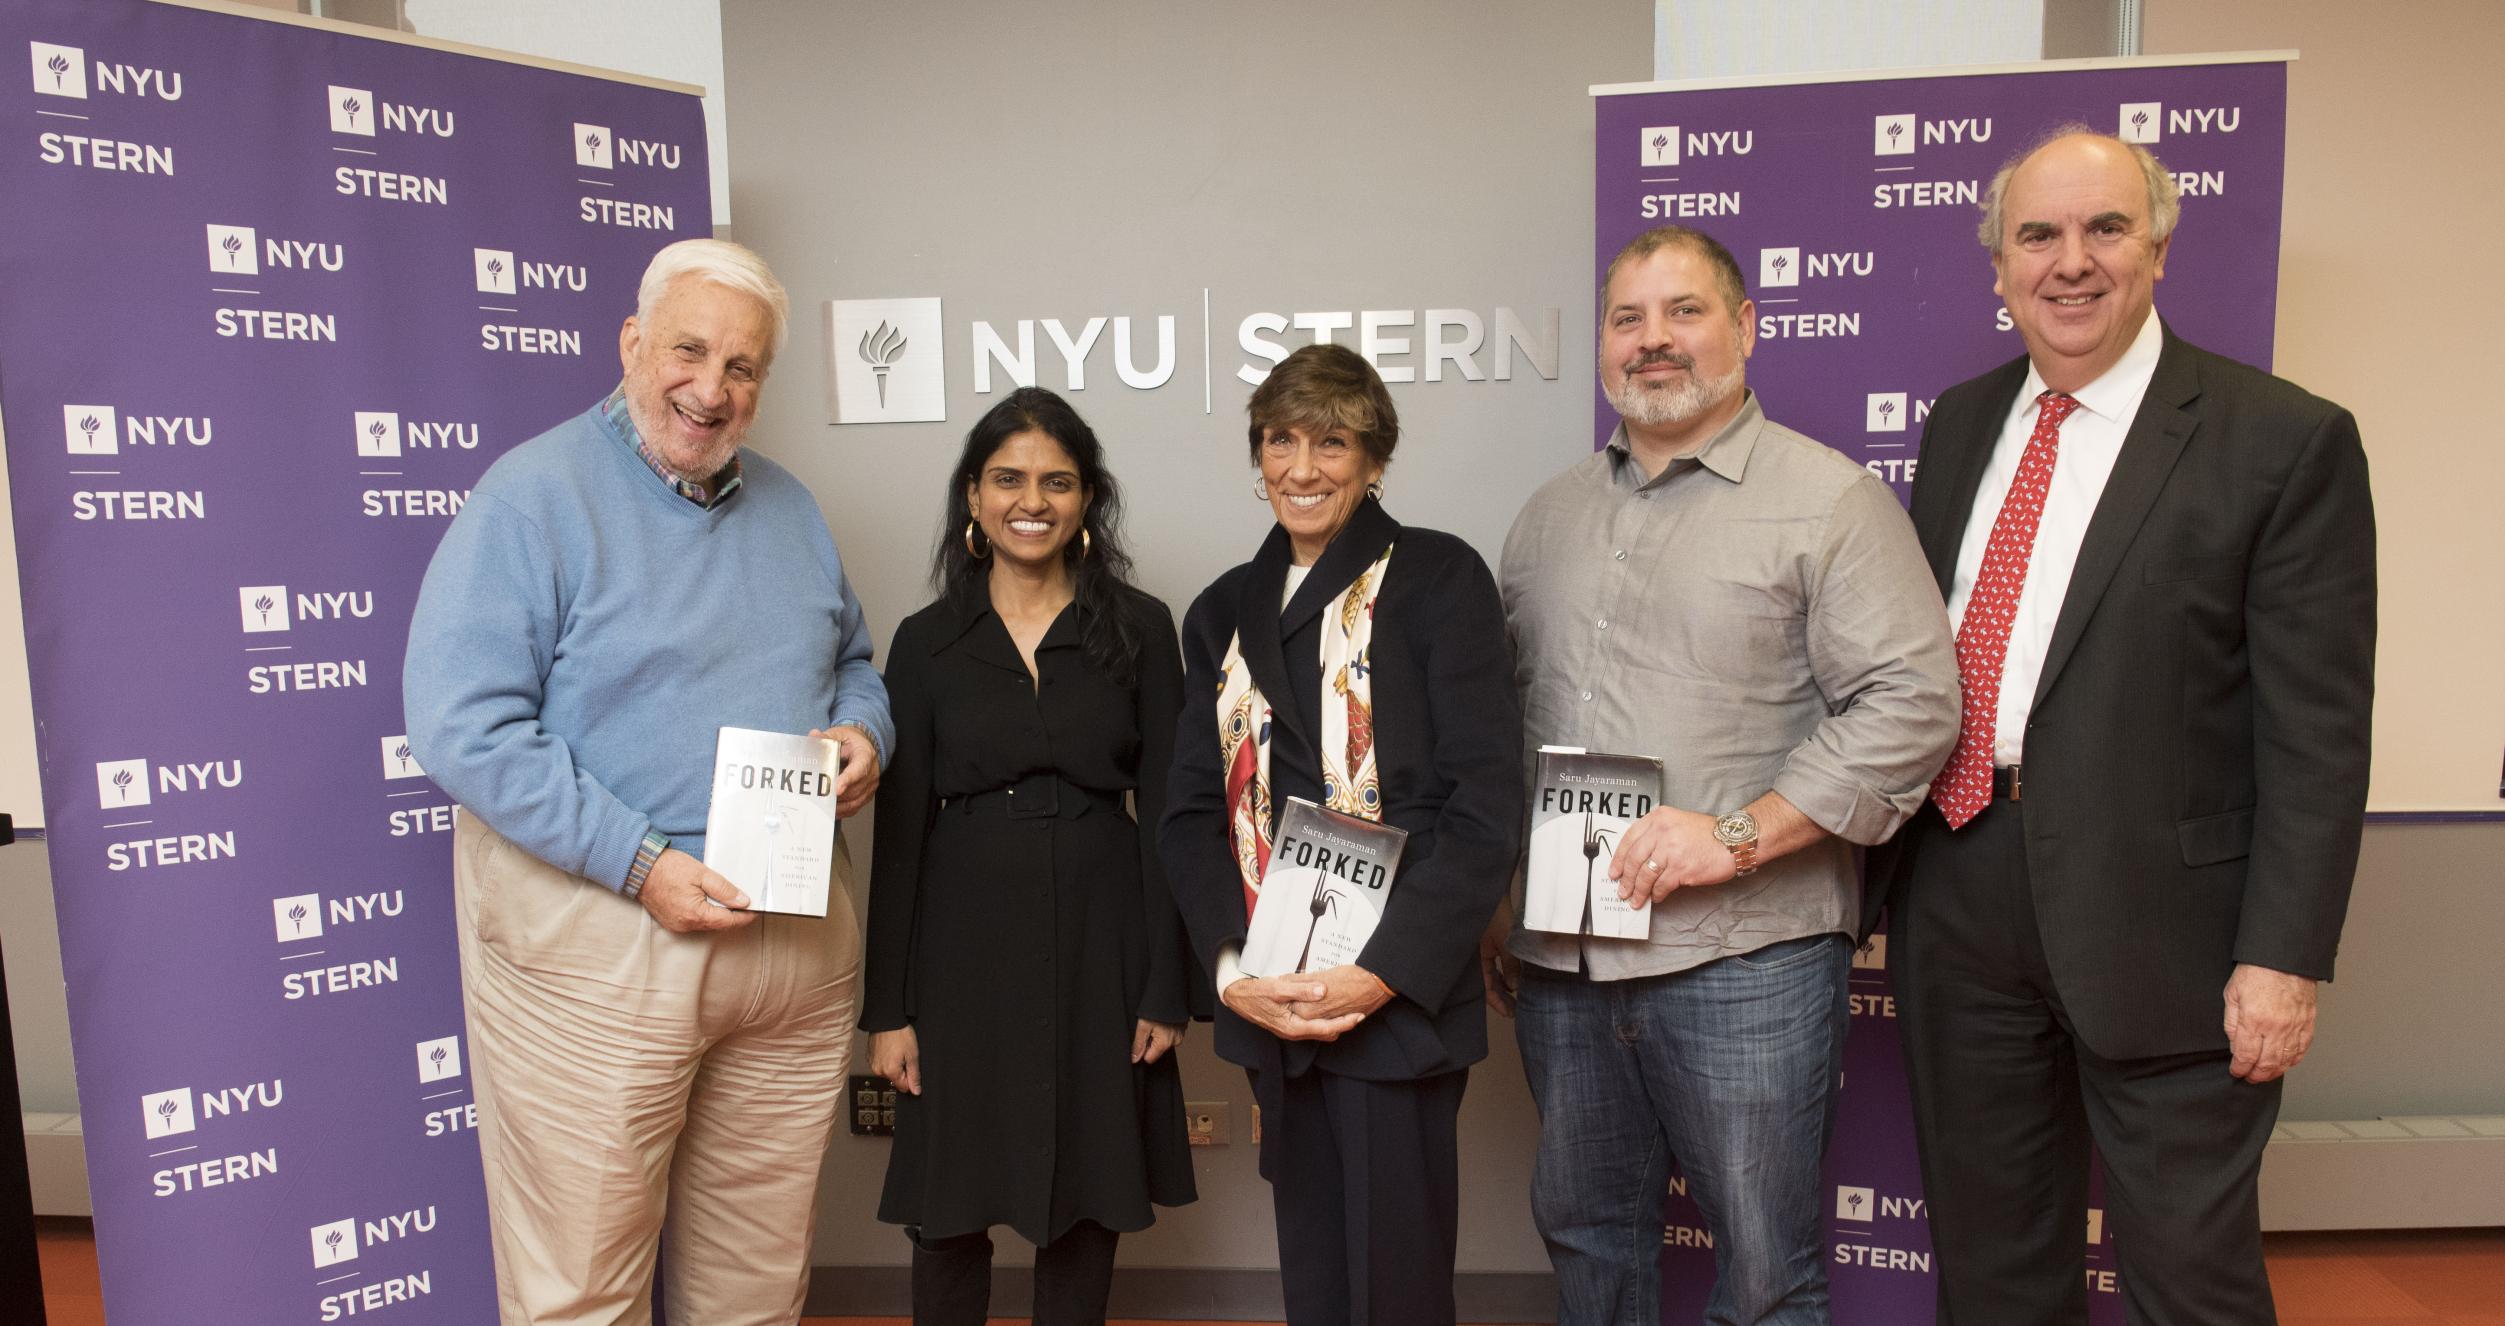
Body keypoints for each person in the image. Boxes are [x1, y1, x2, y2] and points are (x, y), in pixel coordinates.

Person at [1873, 128, 2375, 1324]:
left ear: (2158, 244)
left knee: (2187, 1277)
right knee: (1993, 1271)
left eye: (2106, 228)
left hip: (2177, 926)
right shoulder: (1959, 423)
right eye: (2037, 235)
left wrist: (2286, 955)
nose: (2071, 262)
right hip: (1959, 885)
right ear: (1998, 264)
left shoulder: (2281, 439)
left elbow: (2318, 729)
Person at [403, 238, 892, 1325]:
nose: (711, 390)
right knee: (581, 1290)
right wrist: (639, 861)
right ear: (631, 344)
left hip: (789, 949)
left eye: (744, 367)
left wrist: (865, 733)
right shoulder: (531, 498)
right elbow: (460, 724)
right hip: (608, 947)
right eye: (688, 350)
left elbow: (853, 662)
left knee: (758, 1289)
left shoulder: (790, 508)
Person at [1491, 224, 1958, 1325]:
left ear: (1745, 328)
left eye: (1684, 312)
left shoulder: (1829, 501)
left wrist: (1737, 834)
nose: (1654, 342)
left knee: (1761, 1272)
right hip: (1568, 957)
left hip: (1745, 960)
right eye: (1628, 319)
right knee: (1588, 1239)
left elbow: (1914, 703)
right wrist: (1500, 894)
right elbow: (1514, 721)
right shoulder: (1548, 517)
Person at [1160, 343, 1522, 1326]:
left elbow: (1486, 805)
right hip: (1276, 990)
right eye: (1281, 439)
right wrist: (1237, 970)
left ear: (1373, 461)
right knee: (1316, 1276)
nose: (1304, 467)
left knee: (1396, 1289)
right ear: (1257, 454)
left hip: (1393, 993)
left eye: (1333, 441)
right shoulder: (1223, 611)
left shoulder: (1439, 577)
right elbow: (1193, 811)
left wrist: (1383, 971)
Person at [860, 387, 1197, 1324]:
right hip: (959, 953)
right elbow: (897, 835)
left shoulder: (1142, 627)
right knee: (946, 1205)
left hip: (1104, 944)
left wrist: (1165, 989)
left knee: (1086, 1200)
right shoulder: (925, 643)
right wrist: (888, 1010)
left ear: (1088, 499)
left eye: (1057, 481)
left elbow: (1174, 811)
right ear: (972, 497)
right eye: (1008, 478)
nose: (1031, 500)